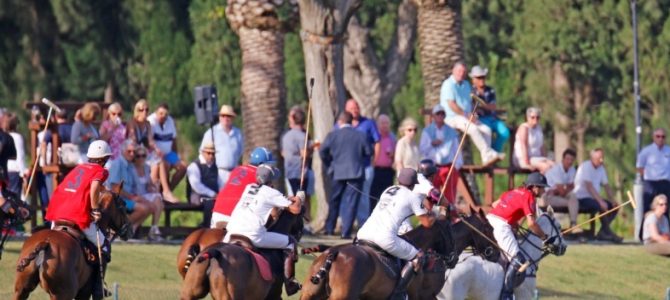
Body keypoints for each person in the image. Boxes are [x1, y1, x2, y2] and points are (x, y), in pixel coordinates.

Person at [44, 140, 113, 298]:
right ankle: (97, 288)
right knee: (104, 246)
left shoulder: (78, 168)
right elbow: (95, 188)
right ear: (104, 159)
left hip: (56, 212)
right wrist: (95, 209)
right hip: (76, 215)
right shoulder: (101, 170)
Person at [223, 164, 303, 295]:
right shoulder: (271, 192)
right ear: (271, 180)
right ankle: (290, 282)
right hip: (253, 235)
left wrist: (285, 200)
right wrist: (299, 198)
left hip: (231, 232)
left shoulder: (248, 187)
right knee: (290, 242)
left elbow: (269, 208)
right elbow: (296, 209)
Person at [357, 168, 437, 297]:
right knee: (418, 256)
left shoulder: (388, 190)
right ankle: (398, 294)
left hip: (363, 233)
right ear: (414, 184)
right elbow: (427, 223)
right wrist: (435, 213)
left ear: (399, 180)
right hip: (385, 238)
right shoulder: (413, 197)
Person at [487, 172, 552, 300]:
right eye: (542, 187)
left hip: (490, 219)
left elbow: (495, 204)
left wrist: (513, 222)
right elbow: (532, 224)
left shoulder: (514, 191)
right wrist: (545, 237)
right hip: (501, 225)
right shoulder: (529, 197)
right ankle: (506, 295)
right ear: (534, 187)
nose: (544, 190)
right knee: (518, 260)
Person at [320, 111, 372, 239]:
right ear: (352, 122)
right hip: (356, 173)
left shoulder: (333, 135)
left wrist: (330, 165)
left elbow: (322, 151)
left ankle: (329, 228)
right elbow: (368, 152)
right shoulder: (360, 135)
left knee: (334, 200)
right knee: (351, 202)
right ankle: (346, 232)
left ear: (339, 122)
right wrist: (360, 161)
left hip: (337, 172)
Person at [440, 62, 504, 166]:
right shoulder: (448, 84)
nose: (461, 73)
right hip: (453, 117)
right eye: (459, 71)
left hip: (466, 116)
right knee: (473, 129)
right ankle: (488, 153)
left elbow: (470, 101)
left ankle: (486, 158)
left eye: (463, 71)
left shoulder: (466, 85)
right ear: (453, 71)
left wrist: (474, 111)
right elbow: (452, 104)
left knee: (486, 129)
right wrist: (466, 114)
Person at [336, 99, 380, 227]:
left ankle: (363, 225)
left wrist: (373, 162)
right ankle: (346, 225)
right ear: (346, 110)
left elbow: (377, 142)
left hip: (364, 167)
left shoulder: (368, 123)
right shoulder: (339, 124)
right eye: (351, 108)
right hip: (344, 169)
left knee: (363, 197)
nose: (355, 110)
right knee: (345, 197)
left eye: (356, 107)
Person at [126, 99, 177, 203]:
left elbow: (151, 141)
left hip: (167, 154)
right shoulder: (133, 123)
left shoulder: (149, 123)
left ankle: (165, 191)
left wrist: (157, 149)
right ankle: (155, 192)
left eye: (146, 110)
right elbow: (132, 140)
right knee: (158, 164)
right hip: (136, 151)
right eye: (141, 110)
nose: (144, 112)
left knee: (181, 167)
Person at [211, 146, 275, 229]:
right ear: (263, 164)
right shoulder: (261, 176)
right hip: (234, 218)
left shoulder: (236, 169)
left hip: (216, 214)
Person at [574, 148, 622, 243]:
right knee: (600, 206)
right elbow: (589, 187)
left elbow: (606, 186)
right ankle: (608, 233)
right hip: (582, 197)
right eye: (599, 158)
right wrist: (600, 201)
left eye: (602, 158)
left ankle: (603, 231)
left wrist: (613, 200)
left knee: (614, 207)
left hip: (593, 198)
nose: (601, 160)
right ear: (592, 158)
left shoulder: (601, 169)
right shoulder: (585, 167)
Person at [107, 140, 153, 237]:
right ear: (123, 151)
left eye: (134, 152)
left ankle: (130, 229)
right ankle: (120, 228)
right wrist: (133, 198)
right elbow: (115, 188)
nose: (132, 154)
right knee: (143, 209)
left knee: (150, 206)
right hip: (118, 199)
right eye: (129, 151)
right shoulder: (117, 164)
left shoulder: (130, 165)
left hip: (127, 198)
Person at [419, 104, 463, 206]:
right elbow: (422, 149)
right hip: (432, 168)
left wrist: (456, 166)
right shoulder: (427, 131)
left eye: (442, 113)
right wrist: (432, 143)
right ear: (433, 116)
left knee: (449, 195)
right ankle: (429, 216)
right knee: (430, 194)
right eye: (437, 113)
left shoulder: (451, 132)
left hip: (448, 167)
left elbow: (457, 150)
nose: (440, 116)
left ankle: (448, 217)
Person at [148, 103, 186, 200]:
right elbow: (149, 141)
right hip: (154, 155)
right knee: (163, 162)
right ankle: (166, 191)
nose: (163, 116)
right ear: (156, 112)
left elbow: (173, 140)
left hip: (168, 154)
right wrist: (158, 151)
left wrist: (176, 155)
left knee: (183, 167)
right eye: (161, 113)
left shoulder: (170, 121)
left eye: (165, 114)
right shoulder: (151, 122)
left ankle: (168, 191)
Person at [281, 107, 313, 220]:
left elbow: (283, 153)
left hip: (289, 172)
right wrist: (311, 148)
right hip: (300, 173)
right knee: (300, 199)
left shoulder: (286, 135)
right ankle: (300, 221)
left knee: (292, 197)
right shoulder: (301, 136)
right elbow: (304, 155)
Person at [470, 65, 510, 152]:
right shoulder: (470, 91)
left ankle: (494, 152)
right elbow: (472, 108)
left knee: (505, 133)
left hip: (492, 118)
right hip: (479, 120)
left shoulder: (490, 90)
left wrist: (481, 106)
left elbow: (493, 107)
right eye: (479, 77)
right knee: (487, 132)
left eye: (483, 77)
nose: (482, 79)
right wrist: (484, 107)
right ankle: (489, 155)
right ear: (474, 79)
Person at [200, 105, 243, 183]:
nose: (225, 118)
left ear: (232, 118)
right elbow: (202, 152)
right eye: (223, 116)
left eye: (228, 116)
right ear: (219, 117)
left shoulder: (238, 133)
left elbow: (241, 152)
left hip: (235, 172)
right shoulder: (212, 132)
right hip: (218, 173)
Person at [541, 149, 581, 233]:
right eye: (567, 159)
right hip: (548, 197)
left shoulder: (572, 169)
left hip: (557, 194)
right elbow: (565, 189)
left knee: (573, 196)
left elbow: (572, 186)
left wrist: (560, 190)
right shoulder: (556, 170)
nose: (569, 162)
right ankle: (573, 225)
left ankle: (573, 224)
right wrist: (564, 188)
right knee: (572, 202)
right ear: (563, 159)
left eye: (571, 160)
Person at [131, 145, 164, 241]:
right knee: (157, 202)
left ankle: (150, 228)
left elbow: (149, 183)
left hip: (145, 194)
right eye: (138, 156)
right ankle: (152, 229)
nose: (141, 158)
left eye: (143, 155)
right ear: (135, 157)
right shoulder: (131, 169)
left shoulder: (146, 167)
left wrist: (152, 187)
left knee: (157, 198)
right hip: (136, 195)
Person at [186, 143, 224, 227]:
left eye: (213, 154)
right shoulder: (194, 166)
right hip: (197, 195)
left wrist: (221, 194)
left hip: (213, 195)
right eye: (208, 153)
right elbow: (196, 185)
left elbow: (219, 182)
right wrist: (212, 194)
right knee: (209, 203)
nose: (211, 156)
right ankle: (207, 227)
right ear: (203, 152)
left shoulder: (215, 166)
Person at [636, 128, 670, 218]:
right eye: (658, 136)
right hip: (651, 183)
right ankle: (647, 230)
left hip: (665, 183)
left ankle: (664, 230)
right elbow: (640, 167)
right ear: (653, 137)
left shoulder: (668, 150)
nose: (660, 139)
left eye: (663, 137)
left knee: (665, 209)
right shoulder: (646, 151)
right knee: (648, 209)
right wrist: (647, 178)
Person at [513, 107, 554, 173]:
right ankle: (540, 182)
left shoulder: (539, 128)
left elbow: (541, 146)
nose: (535, 119)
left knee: (554, 165)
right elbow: (524, 145)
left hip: (536, 158)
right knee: (546, 167)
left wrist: (545, 158)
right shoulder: (524, 128)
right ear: (527, 117)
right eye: (532, 117)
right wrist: (527, 163)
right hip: (523, 158)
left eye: (537, 117)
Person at [370, 114, 396, 207]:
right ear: (378, 125)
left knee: (387, 197)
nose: (385, 125)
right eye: (382, 123)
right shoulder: (374, 137)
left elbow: (396, 153)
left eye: (387, 123)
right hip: (375, 170)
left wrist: (393, 155)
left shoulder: (392, 137)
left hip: (388, 171)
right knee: (373, 196)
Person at [5, 113, 27, 196]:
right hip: (14, 170)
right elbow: (20, 156)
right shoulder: (17, 137)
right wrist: (23, 172)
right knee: (14, 198)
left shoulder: (3, 136)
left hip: (4, 170)